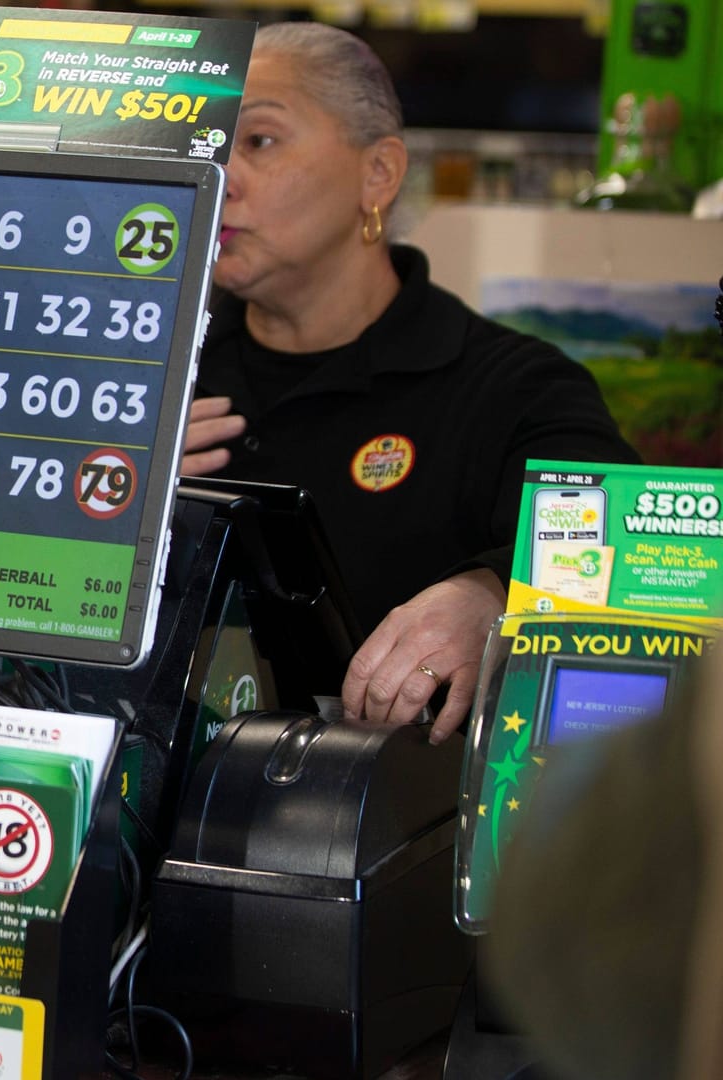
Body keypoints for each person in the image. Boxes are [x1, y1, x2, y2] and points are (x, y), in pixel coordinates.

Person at [181, 22, 638, 744]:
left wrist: (495, 594)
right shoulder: (152, 380)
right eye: (206, 145)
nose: (220, 175)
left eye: (258, 141)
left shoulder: (512, 388)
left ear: (380, 174)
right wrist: (109, 491)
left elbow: (629, 548)